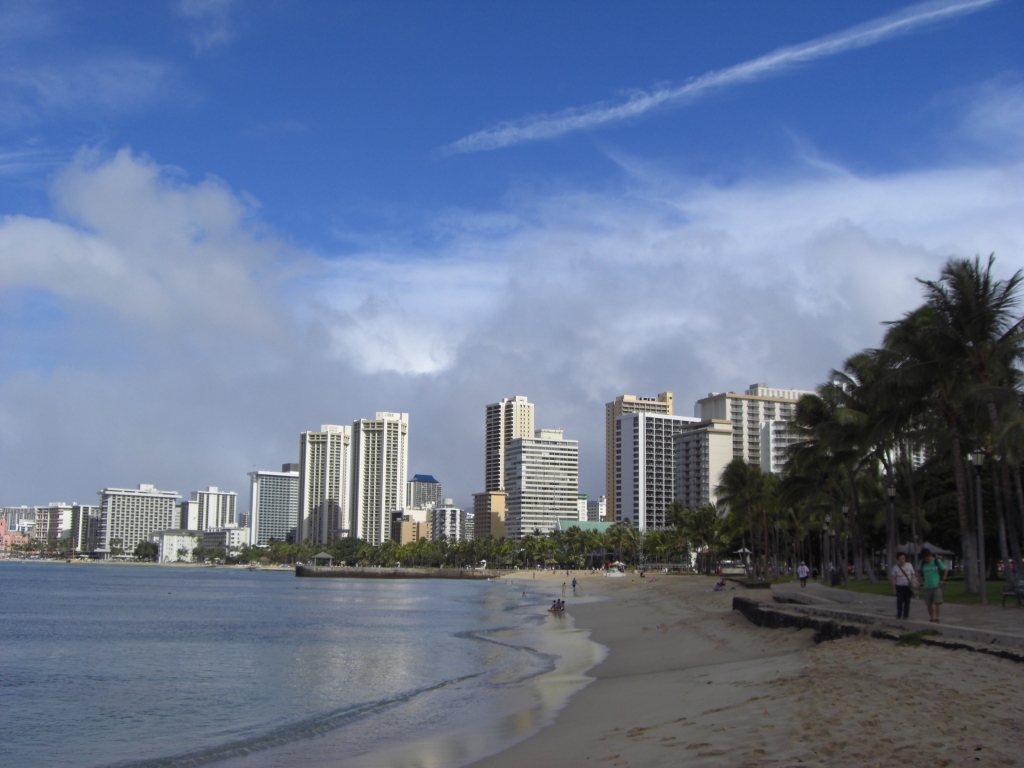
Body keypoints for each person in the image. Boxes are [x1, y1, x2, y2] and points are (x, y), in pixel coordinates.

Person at [918, 548, 948, 623]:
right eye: (924, 558)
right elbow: (918, 571)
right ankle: (932, 617)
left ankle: (938, 617)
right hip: (927, 586)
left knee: (938, 602)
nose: (926, 560)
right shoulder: (922, 563)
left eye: (927, 558)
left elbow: (945, 569)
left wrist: (943, 579)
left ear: (930, 555)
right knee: (929, 603)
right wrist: (921, 581)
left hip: (936, 585)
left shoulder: (937, 561)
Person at [890, 551, 916, 620]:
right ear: (898, 560)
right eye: (900, 559)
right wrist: (894, 588)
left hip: (908, 586)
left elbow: (913, 575)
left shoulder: (909, 565)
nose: (902, 560)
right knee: (899, 601)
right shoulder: (895, 567)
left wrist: (914, 583)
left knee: (907, 601)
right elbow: (894, 579)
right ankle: (899, 614)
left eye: (903, 558)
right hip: (899, 586)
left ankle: (905, 615)